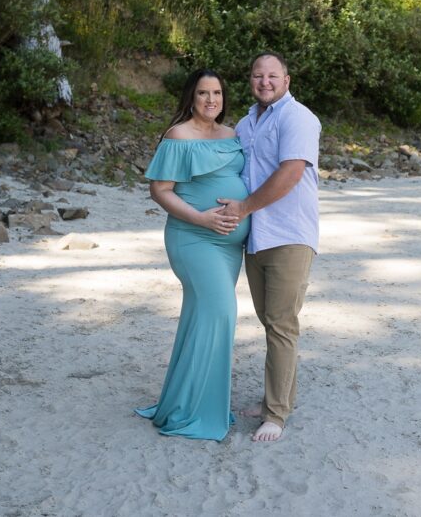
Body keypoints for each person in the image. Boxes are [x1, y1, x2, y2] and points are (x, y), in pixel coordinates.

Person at [135, 69, 246, 441]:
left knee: (201, 317)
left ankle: (186, 402)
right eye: (203, 93)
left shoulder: (232, 136)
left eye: (216, 93)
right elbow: (160, 190)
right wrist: (201, 218)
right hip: (193, 238)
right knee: (222, 312)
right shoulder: (177, 136)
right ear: (191, 97)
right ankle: (194, 410)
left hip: (228, 246)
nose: (211, 100)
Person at [217, 52, 321, 442]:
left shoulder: (299, 118)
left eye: (272, 75)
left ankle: (276, 414)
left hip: (290, 235)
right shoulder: (245, 124)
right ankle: (273, 399)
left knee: (281, 324)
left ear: (287, 80)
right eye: (258, 75)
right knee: (271, 321)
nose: (265, 81)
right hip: (256, 236)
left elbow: (291, 172)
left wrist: (243, 207)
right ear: (250, 80)